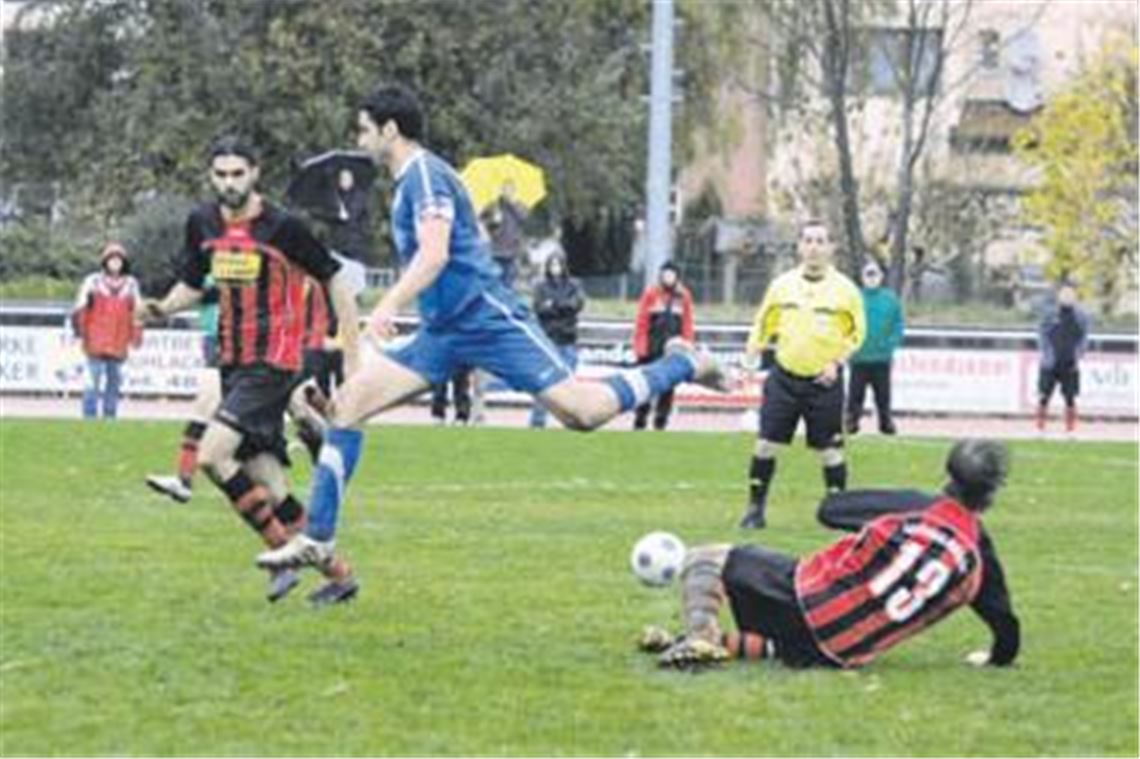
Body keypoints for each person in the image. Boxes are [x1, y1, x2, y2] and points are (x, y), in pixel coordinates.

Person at [256, 84, 725, 578]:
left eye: (364, 128)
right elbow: (465, 240)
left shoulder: (424, 176)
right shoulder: (416, 181)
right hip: (443, 331)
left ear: (390, 129)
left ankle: (684, 361)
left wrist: (388, 305)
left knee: (582, 412)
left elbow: (435, 253)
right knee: (349, 405)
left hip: (486, 319)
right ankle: (318, 540)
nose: (360, 137)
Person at [137, 135, 362, 606]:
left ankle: (281, 553)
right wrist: (160, 309)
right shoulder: (201, 222)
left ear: (255, 173)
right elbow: (192, 285)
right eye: (220, 174)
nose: (228, 183)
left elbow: (333, 275)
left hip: (274, 362)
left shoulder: (283, 227)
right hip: (233, 362)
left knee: (212, 454)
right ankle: (339, 576)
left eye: (237, 174)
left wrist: (353, 351)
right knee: (270, 484)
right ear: (210, 175)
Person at [640, 439, 1020, 672]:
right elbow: (1005, 625)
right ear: (990, 495)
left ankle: (699, 635)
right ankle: (687, 642)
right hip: (841, 654)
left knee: (708, 555)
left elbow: (831, 510)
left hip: (807, 603)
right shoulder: (978, 558)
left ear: (948, 474)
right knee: (789, 647)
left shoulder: (914, 507)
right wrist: (997, 658)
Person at [738, 220, 865, 529]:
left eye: (820, 241)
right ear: (799, 246)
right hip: (784, 379)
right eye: (808, 240)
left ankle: (839, 515)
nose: (814, 247)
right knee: (765, 445)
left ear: (831, 248)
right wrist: (751, 354)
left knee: (830, 452)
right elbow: (763, 323)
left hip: (824, 383)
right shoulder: (782, 285)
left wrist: (837, 363)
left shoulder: (845, 290)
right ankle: (755, 510)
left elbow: (857, 333)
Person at [71, 242, 143, 419]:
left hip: (119, 340)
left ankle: (110, 416)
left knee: (114, 382)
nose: (115, 264)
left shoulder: (131, 285)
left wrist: (136, 336)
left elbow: (138, 313)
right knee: (92, 381)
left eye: (118, 260)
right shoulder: (92, 282)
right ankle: (89, 416)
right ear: (105, 262)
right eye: (112, 260)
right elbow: (80, 309)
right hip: (95, 340)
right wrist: (80, 332)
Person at [632, 261, 694, 431]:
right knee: (646, 386)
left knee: (668, 388)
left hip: (673, 350)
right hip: (652, 348)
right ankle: (640, 419)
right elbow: (641, 323)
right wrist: (640, 348)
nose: (668, 278)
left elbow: (687, 325)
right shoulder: (651, 294)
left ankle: (661, 421)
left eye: (671, 274)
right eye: (665, 274)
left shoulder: (684, 296)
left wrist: (687, 347)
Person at [845, 259, 904, 436]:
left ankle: (885, 423)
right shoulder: (854, 298)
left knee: (883, 395)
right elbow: (846, 324)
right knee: (855, 395)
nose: (871, 278)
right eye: (868, 274)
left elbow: (898, 324)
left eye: (874, 274)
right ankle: (852, 422)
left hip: (882, 358)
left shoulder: (890, 299)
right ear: (862, 277)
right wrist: (850, 346)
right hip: (859, 357)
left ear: (881, 276)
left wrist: (890, 345)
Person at [530, 252, 585, 428]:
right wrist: (561, 305)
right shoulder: (540, 286)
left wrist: (554, 304)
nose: (555, 268)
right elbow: (539, 308)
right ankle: (538, 422)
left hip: (567, 339)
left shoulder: (574, 285)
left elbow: (576, 305)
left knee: (568, 385)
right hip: (547, 340)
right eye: (552, 264)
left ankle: (570, 422)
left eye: (558, 264)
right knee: (544, 384)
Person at [1036, 282, 1091, 434]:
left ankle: (1070, 428)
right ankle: (1040, 426)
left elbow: (1084, 338)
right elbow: (1042, 335)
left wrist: (1078, 354)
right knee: (1044, 395)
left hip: (1070, 363)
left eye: (1070, 293)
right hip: (1050, 364)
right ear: (1059, 295)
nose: (1067, 296)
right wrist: (1047, 354)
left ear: (1075, 296)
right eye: (1064, 293)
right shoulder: (1050, 314)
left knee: (1070, 398)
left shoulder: (1081, 316)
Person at [482, 180, 527, 290]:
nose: (507, 192)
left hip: (512, 249)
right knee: (495, 280)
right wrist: (493, 220)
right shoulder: (493, 205)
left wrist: (512, 204)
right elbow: (482, 220)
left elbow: (523, 218)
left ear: (514, 192)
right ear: (501, 190)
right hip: (496, 249)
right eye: (504, 189)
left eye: (510, 190)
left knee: (509, 282)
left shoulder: (520, 205)